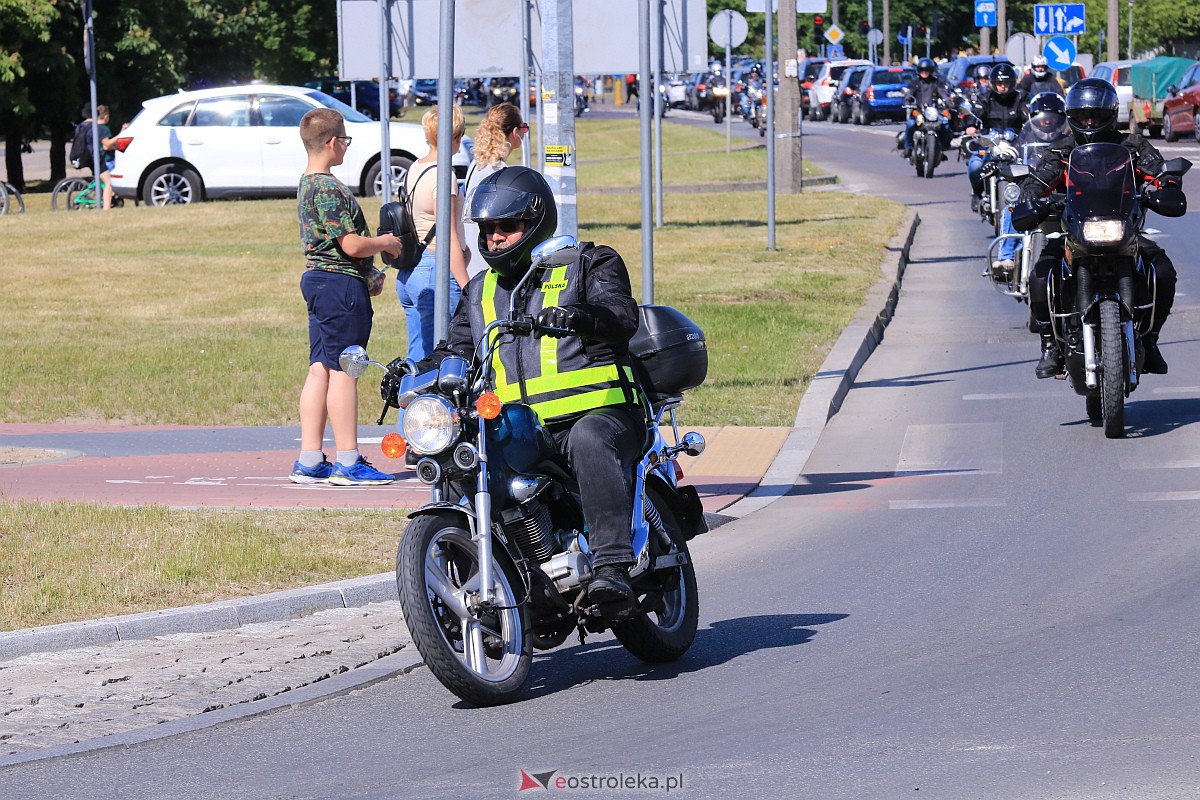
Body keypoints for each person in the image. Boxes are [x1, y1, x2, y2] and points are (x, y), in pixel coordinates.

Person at [409, 167, 643, 603]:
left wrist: (581, 318)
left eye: (507, 227)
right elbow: (455, 350)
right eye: (487, 229)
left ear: (536, 220)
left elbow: (622, 317)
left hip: (600, 415)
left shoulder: (590, 263)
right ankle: (504, 577)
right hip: (520, 429)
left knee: (591, 439)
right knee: (466, 459)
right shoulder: (479, 291)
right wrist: (408, 372)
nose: (494, 238)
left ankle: (612, 568)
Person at [1018, 78, 1179, 378]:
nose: (1089, 121)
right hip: (1075, 231)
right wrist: (1032, 198)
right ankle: (1050, 345)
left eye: (1096, 115)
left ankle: (1151, 339)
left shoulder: (1132, 146)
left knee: (1164, 272)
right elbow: (1039, 178)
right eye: (1082, 116)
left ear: (1111, 114)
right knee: (1040, 277)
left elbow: (1159, 169)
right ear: (1072, 117)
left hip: (1123, 230)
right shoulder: (1061, 150)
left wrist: (1167, 185)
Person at [290, 108, 401, 486]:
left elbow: (329, 246)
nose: (346, 148)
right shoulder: (328, 187)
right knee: (345, 369)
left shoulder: (306, 183)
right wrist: (386, 243)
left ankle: (309, 459)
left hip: (319, 280)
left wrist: (369, 273)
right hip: (340, 288)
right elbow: (350, 244)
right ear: (333, 142)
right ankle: (349, 461)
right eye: (346, 141)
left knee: (320, 367)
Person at [395, 104, 471, 363]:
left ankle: (407, 405)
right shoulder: (444, 175)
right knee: (437, 359)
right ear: (457, 136)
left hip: (411, 272)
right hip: (434, 272)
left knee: (417, 357)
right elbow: (447, 237)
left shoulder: (415, 167)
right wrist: (467, 286)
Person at [991, 92, 1070, 274]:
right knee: (1011, 208)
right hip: (1032, 188)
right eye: (1043, 118)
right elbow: (1016, 151)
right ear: (1033, 118)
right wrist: (1007, 154)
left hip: (1059, 192)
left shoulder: (1069, 139)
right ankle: (1006, 257)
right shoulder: (1026, 136)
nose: (1048, 121)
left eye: (1054, 118)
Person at [461, 102, 527, 277]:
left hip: (472, 254)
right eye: (524, 128)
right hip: (488, 258)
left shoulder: (477, 165)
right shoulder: (498, 171)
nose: (524, 133)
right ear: (515, 132)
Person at [964, 63, 1028, 212]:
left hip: (1015, 144)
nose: (1003, 86)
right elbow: (976, 113)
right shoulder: (985, 98)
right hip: (989, 142)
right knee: (975, 165)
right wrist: (972, 125)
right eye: (999, 83)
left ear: (1012, 83)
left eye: (1006, 83)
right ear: (993, 84)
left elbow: (1027, 114)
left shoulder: (1020, 98)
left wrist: (1033, 123)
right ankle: (977, 194)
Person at [901, 58, 953, 160]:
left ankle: (941, 148)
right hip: (919, 111)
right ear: (919, 71)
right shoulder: (914, 83)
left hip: (933, 111)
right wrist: (907, 101)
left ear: (931, 71)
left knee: (945, 125)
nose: (924, 73)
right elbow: (909, 94)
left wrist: (948, 102)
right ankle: (908, 148)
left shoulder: (937, 82)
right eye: (922, 71)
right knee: (910, 124)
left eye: (927, 71)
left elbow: (943, 93)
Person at [79, 104, 126, 209]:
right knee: (109, 182)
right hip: (102, 160)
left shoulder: (94, 128)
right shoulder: (102, 129)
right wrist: (121, 135)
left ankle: (107, 201)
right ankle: (106, 208)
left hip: (95, 159)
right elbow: (107, 144)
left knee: (104, 183)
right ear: (105, 116)